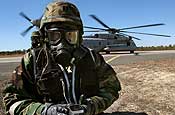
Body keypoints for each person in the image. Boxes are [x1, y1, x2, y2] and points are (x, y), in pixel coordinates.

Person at [3, 1, 121, 115]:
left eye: (70, 36)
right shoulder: (33, 61)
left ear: (79, 37)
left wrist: (90, 107)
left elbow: (111, 89)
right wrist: (43, 111)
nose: (62, 44)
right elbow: (12, 101)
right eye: (54, 36)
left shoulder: (92, 58)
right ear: (45, 37)